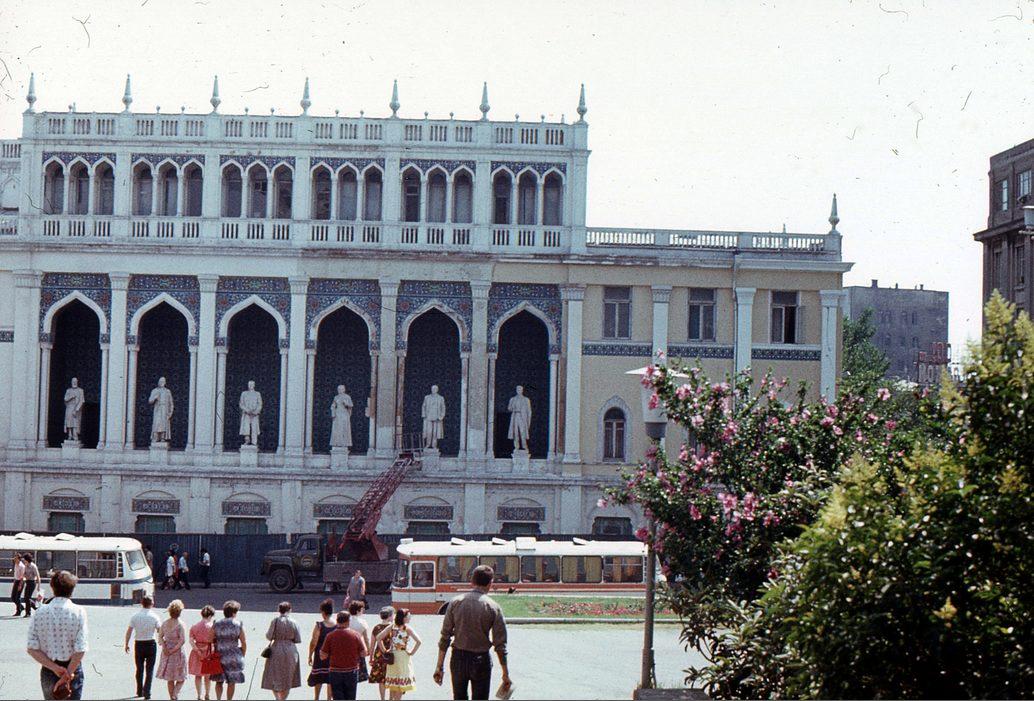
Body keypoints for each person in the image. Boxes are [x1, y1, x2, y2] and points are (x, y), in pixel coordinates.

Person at [434, 565, 511, 701]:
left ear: (472, 581)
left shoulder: (455, 602)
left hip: (458, 658)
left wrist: (439, 666)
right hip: (481, 660)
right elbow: (500, 645)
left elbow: (445, 637)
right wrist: (505, 673)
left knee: (459, 697)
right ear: (490, 583)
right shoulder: (493, 607)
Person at [26, 570, 88, 700]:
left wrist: (55, 668)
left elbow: (31, 648)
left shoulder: (40, 612)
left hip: (49, 670)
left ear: (52, 587)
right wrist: (68, 673)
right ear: (72, 589)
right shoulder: (79, 612)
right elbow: (81, 649)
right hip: (73, 669)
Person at [319, 610, 367, 701]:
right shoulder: (355, 635)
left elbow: (323, 655)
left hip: (335, 671)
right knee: (350, 697)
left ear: (337, 621)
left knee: (337, 697)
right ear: (348, 621)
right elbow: (363, 653)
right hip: (351, 671)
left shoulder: (330, 636)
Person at [375, 608, 421, 700]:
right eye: (408, 616)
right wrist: (411, 652)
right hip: (403, 656)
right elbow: (419, 641)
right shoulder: (407, 628)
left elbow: (378, 638)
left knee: (393, 681)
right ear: (404, 618)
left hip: (393, 656)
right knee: (401, 683)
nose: (410, 617)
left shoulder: (392, 626)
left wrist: (385, 650)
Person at [261, 601, 302, 701]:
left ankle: (278, 698)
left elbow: (269, 636)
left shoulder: (275, 621)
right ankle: (283, 699)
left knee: (273, 675)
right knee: (289, 677)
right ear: (290, 610)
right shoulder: (294, 622)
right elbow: (298, 639)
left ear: (279, 610)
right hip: (290, 650)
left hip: (276, 649)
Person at [124, 594, 162, 700]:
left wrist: (126, 643)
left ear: (142, 603)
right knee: (150, 669)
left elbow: (129, 631)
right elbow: (160, 630)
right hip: (151, 643)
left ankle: (139, 690)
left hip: (139, 644)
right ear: (152, 604)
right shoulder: (155, 616)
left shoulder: (135, 616)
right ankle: (147, 692)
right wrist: (161, 640)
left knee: (139, 668)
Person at [211, 600, 247, 700]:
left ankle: (218, 698)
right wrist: (242, 654)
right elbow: (243, 642)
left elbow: (210, 638)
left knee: (219, 681)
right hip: (233, 656)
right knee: (232, 682)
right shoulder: (238, 624)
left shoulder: (217, 623)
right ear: (234, 613)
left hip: (219, 655)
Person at [156, 599, 189, 700]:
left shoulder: (165, 623)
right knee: (181, 677)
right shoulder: (180, 624)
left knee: (170, 678)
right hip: (177, 652)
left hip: (166, 652)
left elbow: (160, 636)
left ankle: (172, 697)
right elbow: (182, 640)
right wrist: (173, 650)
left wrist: (165, 647)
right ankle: (175, 694)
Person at [307, 598, 336, 700]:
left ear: (323, 612)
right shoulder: (337, 625)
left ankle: (316, 698)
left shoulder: (319, 625)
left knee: (318, 676)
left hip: (320, 655)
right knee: (330, 678)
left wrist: (310, 655)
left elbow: (314, 642)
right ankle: (329, 699)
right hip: (332, 655)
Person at [188, 605, 217, 701]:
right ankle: (207, 694)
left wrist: (197, 650)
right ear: (210, 616)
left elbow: (191, 640)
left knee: (198, 675)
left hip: (197, 651)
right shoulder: (212, 627)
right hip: (208, 651)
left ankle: (199, 695)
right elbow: (215, 640)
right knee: (207, 676)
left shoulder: (195, 626)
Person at [368, 607, 395, 701]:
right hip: (391, 654)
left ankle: (382, 698)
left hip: (379, 655)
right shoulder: (393, 627)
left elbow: (372, 645)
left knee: (381, 679)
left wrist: (371, 658)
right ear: (390, 616)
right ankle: (391, 698)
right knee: (392, 677)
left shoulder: (376, 628)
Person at [347, 601, 370, 684]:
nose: (363, 610)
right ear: (357, 611)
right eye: (362, 609)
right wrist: (368, 649)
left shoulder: (346, 620)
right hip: (358, 648)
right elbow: (366, 638)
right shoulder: (362, 622)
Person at [23, 552, 41, 617]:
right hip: (27, 582)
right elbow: (24, 574)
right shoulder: (25, 566)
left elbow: (38, 576)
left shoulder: (33, 566)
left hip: (32, 582)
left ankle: (28, 612)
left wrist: (38, 586)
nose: (23, 560)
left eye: (24, 559)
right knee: (26, 597)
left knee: (27, 597)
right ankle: (35, 607)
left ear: (27, 559)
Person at [11, 551, 25, 616]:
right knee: (13, 597)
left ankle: (18, 611)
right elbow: (16, 574)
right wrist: (14, 582)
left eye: (15, 558)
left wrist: (20, 585)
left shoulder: (22, 566)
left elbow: (22, 577)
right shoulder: (16, 565)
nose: (14, 559)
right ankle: (21, 607)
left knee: (17, 597)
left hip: (20, 582)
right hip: (16, 581)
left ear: (19, 559)